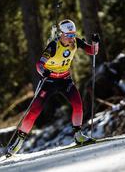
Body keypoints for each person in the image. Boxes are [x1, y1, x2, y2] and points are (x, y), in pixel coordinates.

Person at [6, 19, 100, 157]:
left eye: (73, 34)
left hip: (65, 79)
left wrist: (95, 43)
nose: (71, 38)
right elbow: (39, 64)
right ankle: (18, 142)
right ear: (61, 34)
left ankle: (78, 135)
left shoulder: (76, 42)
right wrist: (43, 72)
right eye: (68, 35)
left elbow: (93, 52)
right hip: (49, 81)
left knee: (78, 105)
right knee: (34, 111)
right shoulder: (53, 46)